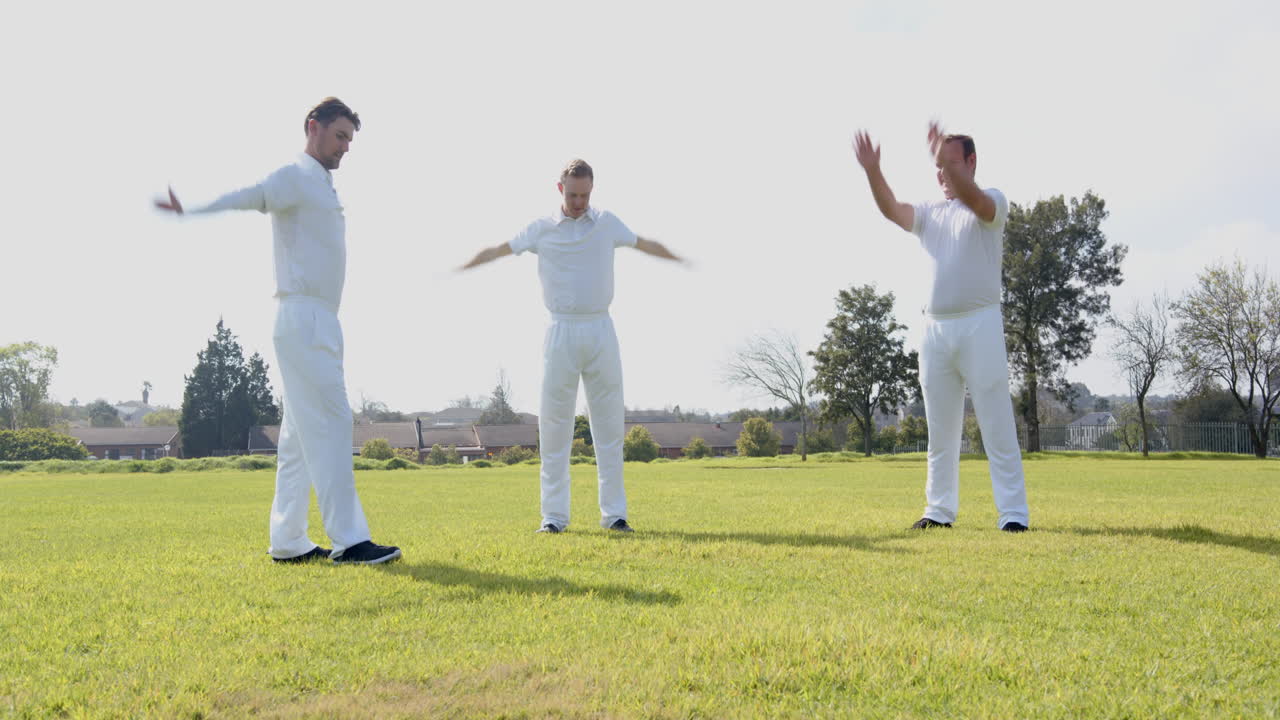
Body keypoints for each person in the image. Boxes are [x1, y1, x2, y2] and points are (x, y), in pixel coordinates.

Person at [155, 97, 402, 562]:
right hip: (303, 318)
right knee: (332, 423)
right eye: (340, 136)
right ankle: (351, 541)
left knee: (298, 440)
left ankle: (288, 541)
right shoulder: (294, 176)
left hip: (321, 319)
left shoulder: (322, 183)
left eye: (350, 139)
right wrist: (191, 207)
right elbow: (248, 195)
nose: (346, 147)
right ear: (313, 127)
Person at [461, 159, 683, 534]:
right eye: (573, 195)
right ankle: (553, 518)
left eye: (585, 195)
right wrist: (460, 267)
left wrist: (684, 260)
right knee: (554, 428)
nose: (579, 202)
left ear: (592, 190)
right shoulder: (541, 228)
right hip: (560, 330)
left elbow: (645, 243)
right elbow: (499, 249)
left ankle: (615, 516)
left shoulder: (607, 223)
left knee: (609, 428)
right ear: (560, 188)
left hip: (601, 329)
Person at [852, 122, 1030, 532]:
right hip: (935, 330)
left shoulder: (992, 202)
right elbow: (892, 210)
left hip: (980, 324)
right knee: (940, 432)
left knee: (996, 425)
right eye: (938, 166)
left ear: (971, 162)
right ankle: (939, 510)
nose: (942, 174)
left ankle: (1013, 515)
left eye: (950, 164)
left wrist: (945, 164)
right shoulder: (930, 212)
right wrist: (873, 171)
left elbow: (974, 198)